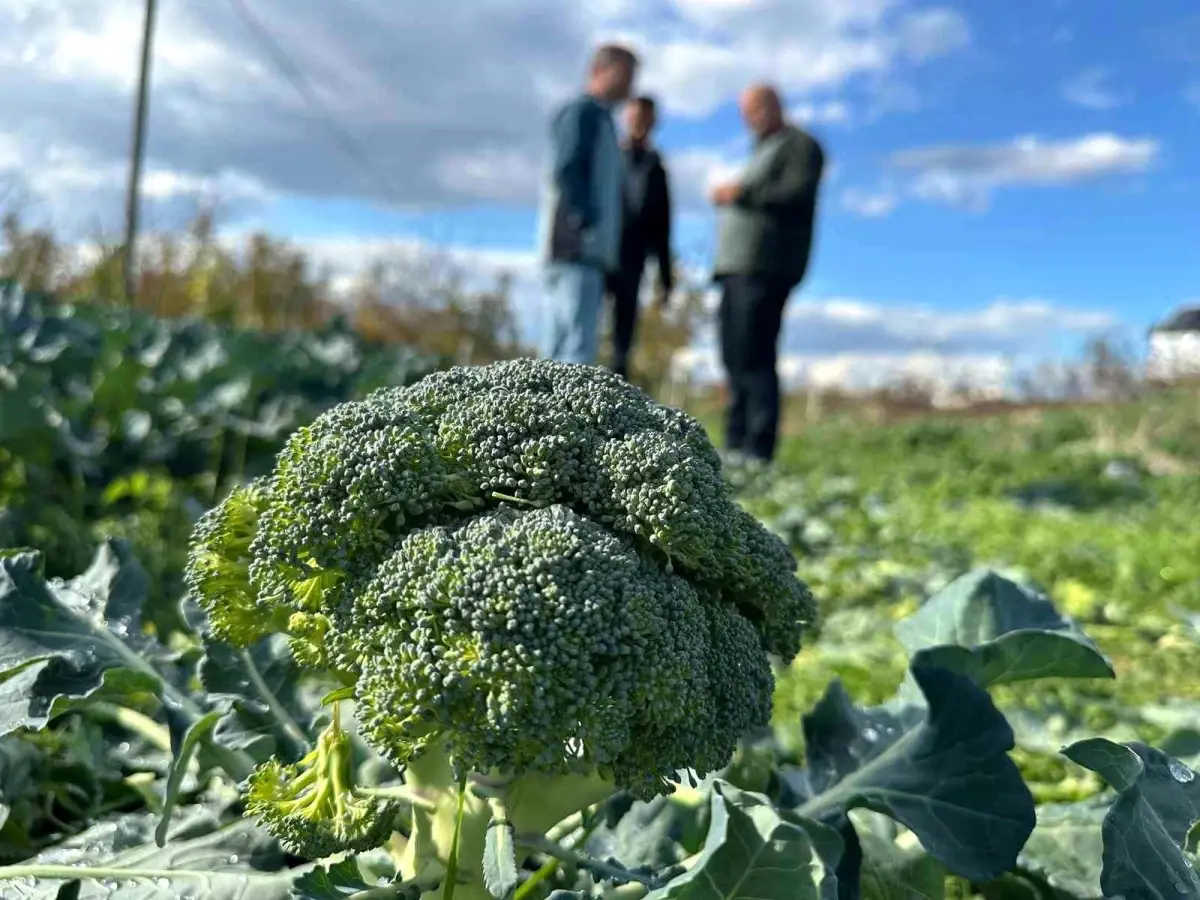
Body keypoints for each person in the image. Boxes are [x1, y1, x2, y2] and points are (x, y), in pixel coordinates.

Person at [709, 84, 825, 465]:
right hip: (735, 268)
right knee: (732, 355)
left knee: (756, 355)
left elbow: (793, 194)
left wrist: (739, 194)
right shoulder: (760, 150)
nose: (750, 120)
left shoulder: (800, 146)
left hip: (765, 268)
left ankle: (758, 451)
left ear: (774, 106)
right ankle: (734, 444)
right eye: (745, 113)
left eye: (756, 110)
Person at [537, 44, 638, 365]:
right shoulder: (585, 113)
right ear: (600, 71)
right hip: (576, 249)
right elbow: (567, 168)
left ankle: (545, 415)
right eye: (626, 75)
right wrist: (586, 222)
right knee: (574, 349)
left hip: (586, 252)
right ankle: (560, 416)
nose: (630, 86)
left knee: (563, 344)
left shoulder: (605, 121)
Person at [607, 95, 673, 380]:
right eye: (634, 116)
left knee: (623, 337)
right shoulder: (608, 157)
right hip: (599, 252)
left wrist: (665, 275)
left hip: (633, 258)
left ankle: (613, 397)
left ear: (653, 123)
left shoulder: (656, 167)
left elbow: (663, 223)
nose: (639, 123)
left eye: (645, 118)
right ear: (626, 118)